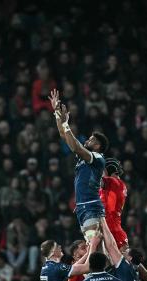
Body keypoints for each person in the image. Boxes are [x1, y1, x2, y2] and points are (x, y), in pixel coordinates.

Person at [49, 89, 109, 242]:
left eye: (91, 140)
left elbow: (76, 147)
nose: (87, 141)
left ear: (98, 146)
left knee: (93, 247)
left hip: (91, 207)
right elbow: (64, 135)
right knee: (95, 248)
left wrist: (66, 124)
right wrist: (57, 113)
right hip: (82, 207)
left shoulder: (97, 158)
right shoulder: (86, 157)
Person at [100, 158, 129, 250]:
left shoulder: (114, 182)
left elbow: (95, 181)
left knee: (126, 262)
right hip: (111, 228)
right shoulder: (113, 185)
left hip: (112, 231)